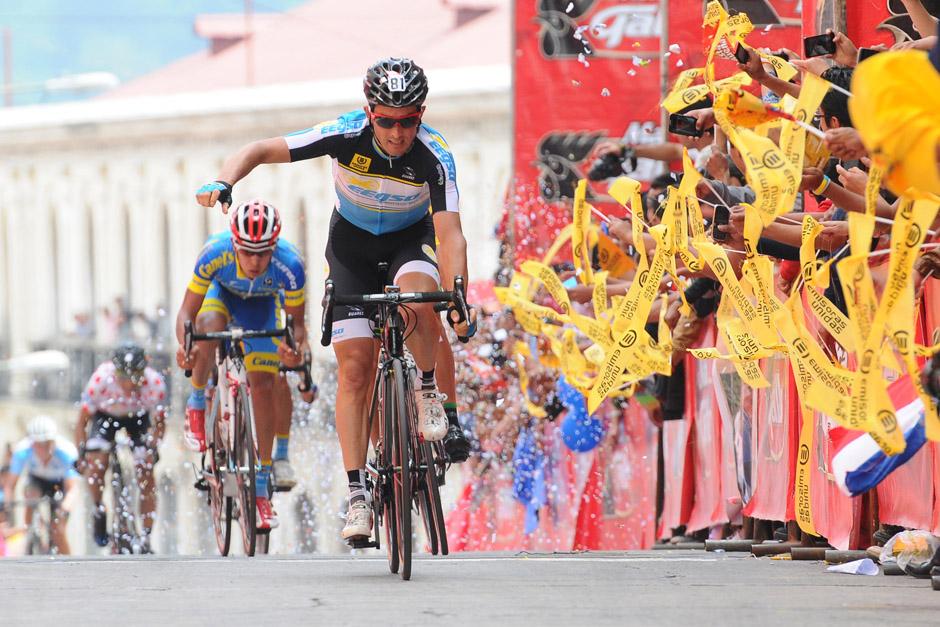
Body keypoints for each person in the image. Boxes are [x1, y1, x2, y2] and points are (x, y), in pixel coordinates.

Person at [194, 57, 477, 542]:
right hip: (352, 247)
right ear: (370, 113)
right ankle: (358, 494)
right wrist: (225, 181)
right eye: (385, 119)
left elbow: (451, 236)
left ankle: (428, 389)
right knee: (353, 370)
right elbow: (261, 148)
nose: (396, 132)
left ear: (421, 114)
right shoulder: (345, 134)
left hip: (412, 240)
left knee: (418, 300)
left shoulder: (435, 156)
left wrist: (458, 295)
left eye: (407, 120)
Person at [175, 199, 307, 530]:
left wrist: (294, 350)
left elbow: (297, 326)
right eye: (246, 252)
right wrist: (186, 347)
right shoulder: (213, 252)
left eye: (262, 253)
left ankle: (261, 488)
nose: (254, 260)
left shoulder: (290, 265)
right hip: (222, 297)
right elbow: (185, 315)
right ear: (234, 243)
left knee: (264, 386)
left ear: (274, 247)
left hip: (262, 306)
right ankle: (196, 403)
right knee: (206, 327)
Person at [75, 343, 166, 551]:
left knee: (145, 470)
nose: (128, 383)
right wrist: (82, 455)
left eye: (134, 377)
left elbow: (159, 426)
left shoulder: (154, 383)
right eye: (122, 377)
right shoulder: (100, 380)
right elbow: (82, 423)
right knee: (96, 464)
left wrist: (152, 447)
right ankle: (99, 508)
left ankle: (146, 534)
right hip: (105, 416)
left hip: (138, 418)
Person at [4, 416, 80, 555]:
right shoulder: (22, 451)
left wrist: (65, 509)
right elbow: (10, 486)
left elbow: (72, 489)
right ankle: (31, 532)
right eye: (38, 444)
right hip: (36, 481)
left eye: (47, 444)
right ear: (32, 443)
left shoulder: (67, 452)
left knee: (58, 529)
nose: (43, 449)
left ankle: (68, 561)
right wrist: (9, 508)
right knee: (30, 495)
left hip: (58, 483)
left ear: (54, 441)